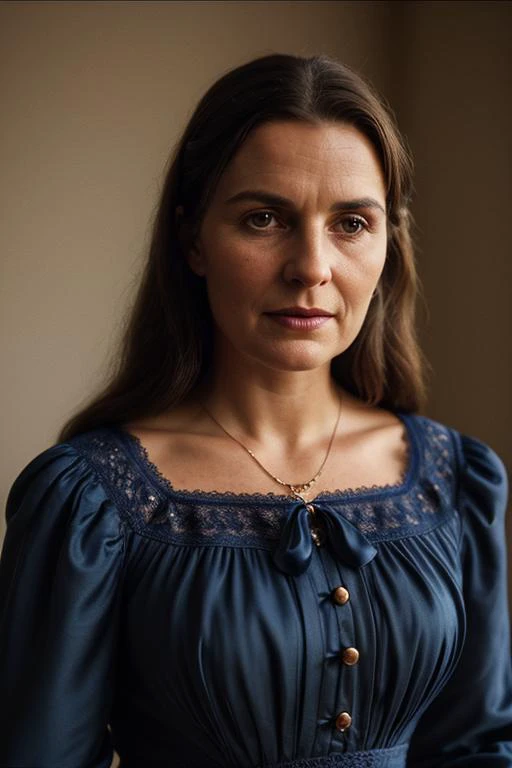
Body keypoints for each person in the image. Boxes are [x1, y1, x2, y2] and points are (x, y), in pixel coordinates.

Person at [0, 52, 510, 768]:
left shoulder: (458, 480)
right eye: (265, 218)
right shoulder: (89, 502)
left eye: (351, 223)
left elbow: (478, 748)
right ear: (192, 239)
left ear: (389, 242)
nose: (311, 267)